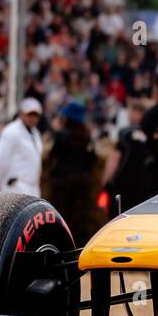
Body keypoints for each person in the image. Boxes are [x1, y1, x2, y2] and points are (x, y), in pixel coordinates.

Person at [47, 100, 99, 243]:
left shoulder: (62, 135)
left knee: (61, 216)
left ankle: (61, 243)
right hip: (82, 182)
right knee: (80, 218)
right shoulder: (86, 136)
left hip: (62, 182)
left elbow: (52, 155)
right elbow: (92, 159)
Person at [102, 98, 153, 214]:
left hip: (122, 182)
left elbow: (114, 158)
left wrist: (106, 180)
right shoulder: (149, 134)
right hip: (142, 184)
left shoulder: (125, 132)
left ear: (137, 113)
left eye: (130, 111)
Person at [0, 98, 44, 196]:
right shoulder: (11, 131)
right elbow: (0, 160)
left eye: (35, 115)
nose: (32, 118)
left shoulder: (35, 133)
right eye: (29, 114)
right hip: (15, 186)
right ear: (21, 113)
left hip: (33, 187)